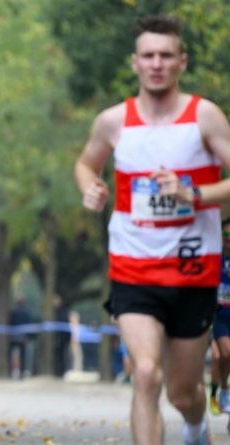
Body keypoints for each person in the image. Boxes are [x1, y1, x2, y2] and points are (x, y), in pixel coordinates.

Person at [74, 15, 230, 445]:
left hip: (193, 269)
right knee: (144, 373)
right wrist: (91, 188)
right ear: (135, 63)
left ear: (182, 61)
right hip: (133, 267)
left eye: (166, 55)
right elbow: (87, 163)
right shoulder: (113, 121)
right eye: (148, 55)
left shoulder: (206, 117)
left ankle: (196, 427)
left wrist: (192, 193)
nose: (156, 63)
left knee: (183, 392)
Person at [210, 217, 230, 420]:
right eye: (225, 235)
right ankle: (220, 391)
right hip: (219, 316)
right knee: (221, 355)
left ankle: (223, 391)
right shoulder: (214, 259)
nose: (228, 239)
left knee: (225, 357)